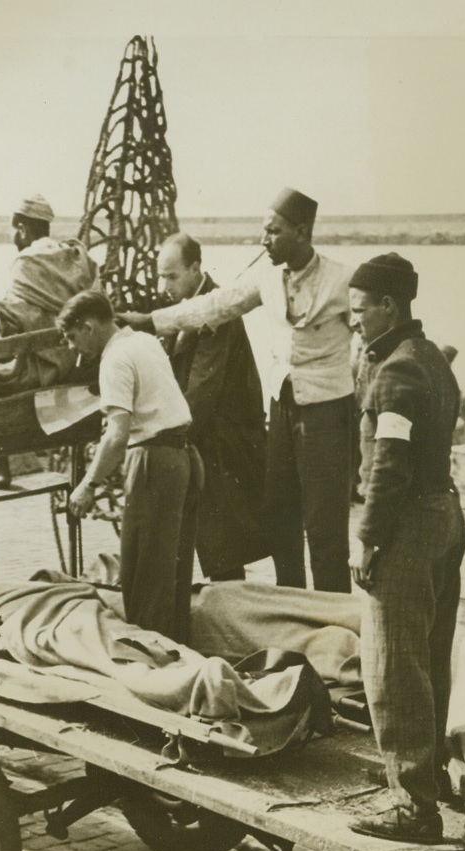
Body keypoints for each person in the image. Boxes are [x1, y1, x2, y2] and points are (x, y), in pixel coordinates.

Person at [120, 187, 354, 593]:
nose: (264, 241)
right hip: (283, 410)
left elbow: (371, 341)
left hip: (328, 415)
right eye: (263, 231)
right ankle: (290, 618)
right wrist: (149, 321)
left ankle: (338, 629)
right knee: (281, 520)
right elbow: (213, 306)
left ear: (302, 232)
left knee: (324, 530)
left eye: (273, 231)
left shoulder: (343, 280)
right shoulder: (266, 278)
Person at [347, 253, 464, 843]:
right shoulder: (433, 360)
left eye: (359, 310)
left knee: (394, 667)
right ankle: (432, 780)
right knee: (429, 656)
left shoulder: (395, 373)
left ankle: (412, 806)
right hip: (445, 512)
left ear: (389, 306)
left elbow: (387, 466)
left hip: (407, 526)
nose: (355, 322)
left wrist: (367, 539)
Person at [61, 290, 202, 643]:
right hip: (185, 457)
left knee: (143, 574)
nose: (75, 352)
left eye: (74, 339)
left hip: (154, 461)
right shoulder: (144, 341)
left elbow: (117, 435)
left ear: (89, 327)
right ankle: (178, 650)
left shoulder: (114, 360)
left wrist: (88, 485)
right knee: (173, 572)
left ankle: (149, 662)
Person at [155, 232, 267, 580]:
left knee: (224, 548)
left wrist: (166, 434)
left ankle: (230, 616)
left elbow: (203, 387)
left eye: (171, 276)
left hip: (226, 441)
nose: (164, 286)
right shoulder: (185, 308)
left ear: (195, 268)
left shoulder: (217, 310)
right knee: (209, 539)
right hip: (206, 436)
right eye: (160, 275)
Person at [0, 194, 99, 487]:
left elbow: (12, 322)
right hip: (79, 366)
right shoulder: (76, 257)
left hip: (44, 372)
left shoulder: (27, 261)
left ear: (20, 227)